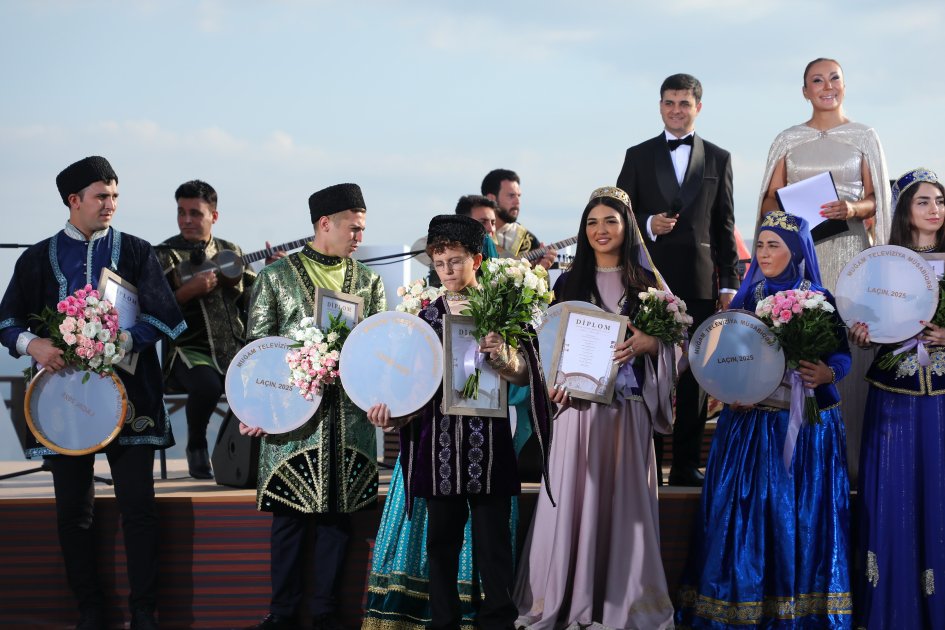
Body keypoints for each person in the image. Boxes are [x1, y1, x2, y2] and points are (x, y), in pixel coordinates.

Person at [0, 156, 186, 630]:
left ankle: (144, 611)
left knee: (139, 509)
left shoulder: (138, 252)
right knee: (73, 513)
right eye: (102, 196)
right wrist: (33, 345)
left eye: (115, 196)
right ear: (74, 200)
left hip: (132, 397)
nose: (110, 204)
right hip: (62, 403)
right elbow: (6, 321)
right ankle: (90, 609)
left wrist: (123, 340)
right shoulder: (36, 258)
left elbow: (165, 318)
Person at [366, 214, 553, 630]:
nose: (447, 271)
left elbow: (526, 374)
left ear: (477, 260)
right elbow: (412, 384)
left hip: (489, 442)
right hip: (438, 442)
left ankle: (498, 620)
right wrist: (391, 415)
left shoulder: (503, 311)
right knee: (441, 542)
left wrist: (503, 355)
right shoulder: (425, 318)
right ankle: (444, 621)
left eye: (455, 261)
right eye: (439, 263)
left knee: (493, 542)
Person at [676, 211, 853, 628]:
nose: (764, 253)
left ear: (796, 251)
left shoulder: (820, 299)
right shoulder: (745, 299)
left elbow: (842, 356)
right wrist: (729, 391)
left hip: (806, 428)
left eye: (774, 245)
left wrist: (828, 374)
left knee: (801, 517)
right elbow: (724, 357)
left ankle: (803, 609)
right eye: (759, 245)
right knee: (747, 514)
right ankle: (740, 604)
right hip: (751, 427)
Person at [512, 186, 675, 629]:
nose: (600, 230)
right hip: (577, 415)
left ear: (628, 227)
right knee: (573, 502)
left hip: (627, 411)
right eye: (592, 222)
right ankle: (567, 596)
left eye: (610, 221)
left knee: (624, 506)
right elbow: (545, 349)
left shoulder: (649, 286)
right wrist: (553, 386)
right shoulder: (567, 284)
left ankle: (622, 601)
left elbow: (676, 345)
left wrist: (652, 343)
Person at [238, 183, 386, 630]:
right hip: (293, 422)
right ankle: (282, 614)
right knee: (289, 520)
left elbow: (377, 347)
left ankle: (325, 613)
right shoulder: (275, 277)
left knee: (338, 521)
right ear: (325, 224)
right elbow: (256, 348)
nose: (359, 237)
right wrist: (256, 408)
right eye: (353, 228)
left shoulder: (369, 281)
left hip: (348, 418)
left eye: (362, 228)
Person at [757, 57, 891, 481]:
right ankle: (804, 460)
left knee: (850, 337)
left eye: (834, 78)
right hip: (802, 255)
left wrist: (852, 207)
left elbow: (880, 198)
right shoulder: (788, 139)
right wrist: (789, 221)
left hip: (850, 250)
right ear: (805, 91)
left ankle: (852, 465)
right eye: (817, 80)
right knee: (802, 337)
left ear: (844, 86)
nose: (827, 85)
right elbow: (769, 200)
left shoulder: (864, 136)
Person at [616, 72, 741, 486]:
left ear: (698, 108)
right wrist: (649, 223)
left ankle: (686, 464)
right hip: (647, 281)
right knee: (647, 370)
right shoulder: (638, 155)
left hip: (701, 281)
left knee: (695, 377)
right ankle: (646, 462)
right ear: (660, 106)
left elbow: (725, 225)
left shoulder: (719, 157)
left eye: (684, 103)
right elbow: (618, 216)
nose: (676, 110)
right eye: (669, 102)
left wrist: (729, 284)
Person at [849, 168, 945, 629]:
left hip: (942, 400)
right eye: (923, 201)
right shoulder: (882, 267)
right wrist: (863, 335)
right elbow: (872, 325)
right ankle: (893, 608)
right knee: (895, 493)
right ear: (905, 210)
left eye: (940, 201)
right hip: (894, 396)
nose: (935, 209)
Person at [156, 180, 282, 479]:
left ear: (214, 216)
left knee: (265, 382)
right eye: (181, 212)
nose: (186, 220)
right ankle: (197, 446)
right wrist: (187, 292)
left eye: (195, 213)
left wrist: (271, 271)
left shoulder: (231, 250)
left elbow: (255, 301)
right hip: (188, 352)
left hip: (235, 349)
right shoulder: (163, 254)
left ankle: (248, 456)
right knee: (208, 386)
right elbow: (154, 310)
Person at [481, 169, 556, 269]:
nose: (517, 201)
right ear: (491, 198)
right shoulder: (470, 232)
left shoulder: (529, 241)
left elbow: (540, 277)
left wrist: (540, 269)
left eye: (518, 196)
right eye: (511, 196)